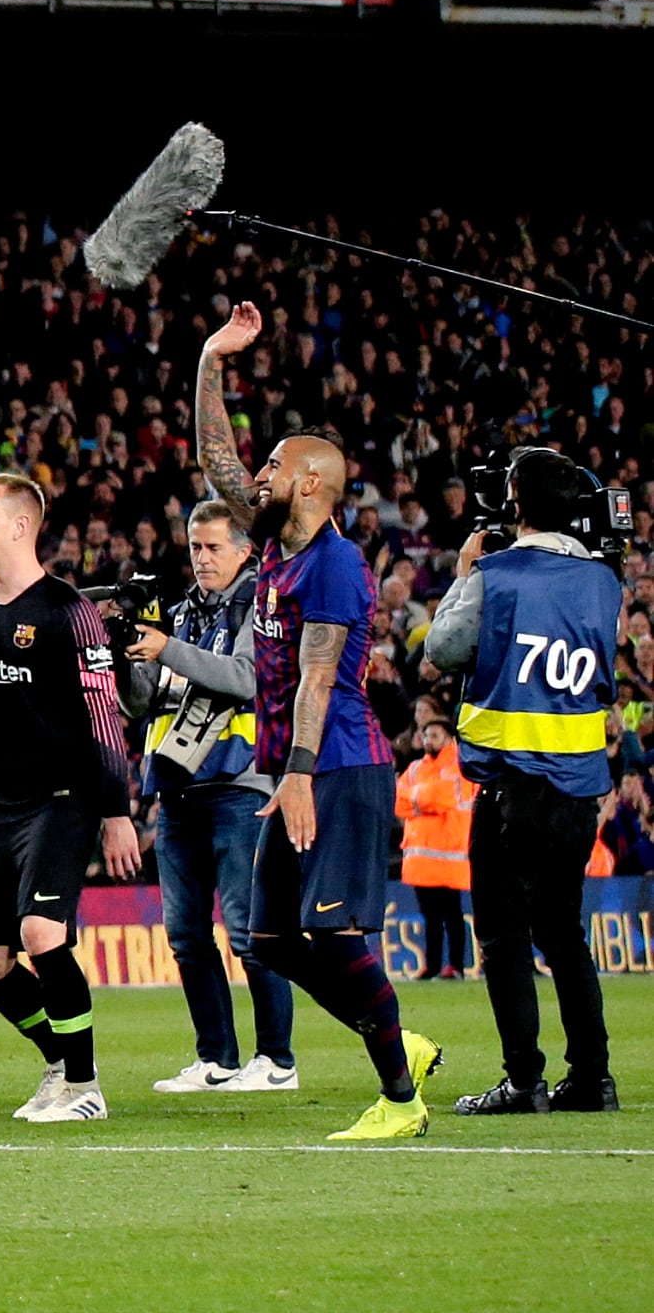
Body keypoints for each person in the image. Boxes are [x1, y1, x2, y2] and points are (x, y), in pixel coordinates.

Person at [195, 303, 439, 1140]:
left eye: (273, 464)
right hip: (298, 766)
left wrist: (294, 773)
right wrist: (210, 358)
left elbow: (318, 674)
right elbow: (214, 456)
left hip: (337, 763)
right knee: (270, 939)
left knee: (330, 934)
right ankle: (396, 1032)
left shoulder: (334, 564)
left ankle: (402, 1098)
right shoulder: (271, 543)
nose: (254, 474)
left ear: (309, 480)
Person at [0, 474, 148, 1125]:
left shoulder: (67, 611)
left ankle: (85, 1087)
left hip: (64, 797)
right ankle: (61, 1061)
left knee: (41, 932)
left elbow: (104, 716)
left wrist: (116, 811)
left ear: (20, 525)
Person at [424, 446, 621, 1113]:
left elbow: (442, 648)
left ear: (513, 505)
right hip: (579, 784)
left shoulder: (498, 573)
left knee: (504, 935)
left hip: (513, 782)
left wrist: (463, 572)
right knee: (565, 933)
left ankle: (524, 1080)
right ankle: (593, 1077)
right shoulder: (605, 581)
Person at [128, 499, 301, 1095]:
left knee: (248, 932)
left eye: (213, 547)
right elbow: (138, 701)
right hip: (177, 789)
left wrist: (165, 649)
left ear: (245, 550)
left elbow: (247, 678)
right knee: (185, 936)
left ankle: (277, 1061)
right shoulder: (178, 615)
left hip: (239, 786)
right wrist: (123, 654)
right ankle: (217, 1060)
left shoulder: (261, 607)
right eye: (195, 548)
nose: (201, 558)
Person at [393, 719, 475, 978]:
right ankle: (433, 965)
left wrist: (416, 799)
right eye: (426, 735)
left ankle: (456, 966)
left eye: (435, 735)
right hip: (422, 859)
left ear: (450, 738)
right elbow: (398, 802)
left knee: (451, 915)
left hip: (450, 856)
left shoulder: (461, 766)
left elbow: (444, 797)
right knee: (430, 917)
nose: (429, 740)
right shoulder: (417, 768)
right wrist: (424, 799)